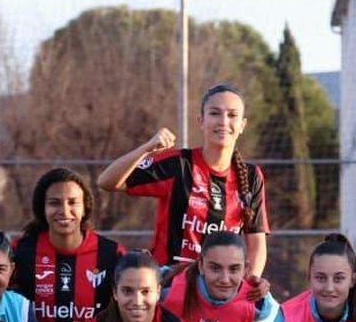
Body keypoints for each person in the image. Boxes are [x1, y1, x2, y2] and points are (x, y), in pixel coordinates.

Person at [97, 83, 270, 281]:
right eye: (215, 113)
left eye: (232, 115)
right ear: (201, 121)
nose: (223, 121)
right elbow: (106, 181)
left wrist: (249, 284)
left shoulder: (251, 176)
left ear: (242, 125)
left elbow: (256, 244)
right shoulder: (178, 164)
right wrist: (146, 148)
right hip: (168, 286)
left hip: (218, 290)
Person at [11, 167, 126, 322]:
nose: (64, 211)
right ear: (42, 208)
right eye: (54, 202)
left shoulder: (111, 254)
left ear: (85, 208)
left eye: (73, 202)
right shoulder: (20, 252)